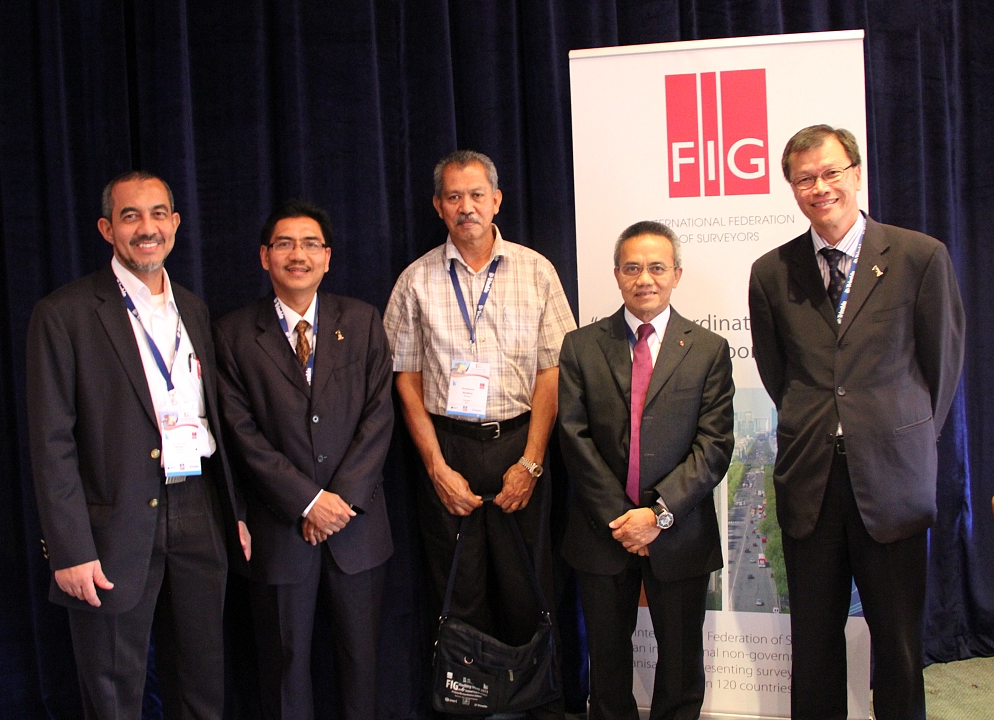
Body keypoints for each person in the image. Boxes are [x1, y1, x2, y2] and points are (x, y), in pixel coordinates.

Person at [749, 125, 965, 720]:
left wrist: (902, 437)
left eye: (830, 172)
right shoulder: (771, 272)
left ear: (856, 173)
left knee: (898, 644)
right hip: (811, 479)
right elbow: (778, 373)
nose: (819, 187)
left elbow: (941, 366)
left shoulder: (919, 256)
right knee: (813, 644)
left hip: (892, 479)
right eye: (804, 179)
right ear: (792, 188)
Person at [26, 170, 250, 720]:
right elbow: (51, 442)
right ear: (107, 229)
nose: (146, 228)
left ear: (175, 224)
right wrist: (70, 548)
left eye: (157, 215)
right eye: (130, 216)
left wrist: (234, 512)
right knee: (112, 692)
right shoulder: (64, 314)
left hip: (198, 509)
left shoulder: (193, 309)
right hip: (113, 523)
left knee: (200, 685)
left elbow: (213, 418)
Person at [383, 150, 576, 719]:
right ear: (438, 207)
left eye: (475, 195)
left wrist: (532, 462)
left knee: (528, 585)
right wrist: (436, 467)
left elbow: (552, 370)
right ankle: (464, 705)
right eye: (453, 197)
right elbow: (405, 377)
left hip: (520, 441)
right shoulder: (415, 280)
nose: (465, 206)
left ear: (496, 201)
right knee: (457, 588)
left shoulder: (536, 271)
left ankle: (539, 704)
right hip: (449, 447)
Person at [214, 199, 394, 720]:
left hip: (356, 529)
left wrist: (340, 502)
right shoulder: (232, 333)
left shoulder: (361, 321)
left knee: (361, 666)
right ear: (264, 256)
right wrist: (309, 501)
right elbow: (240, 433)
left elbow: (379, 416)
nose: (299, 255)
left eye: (311, 244)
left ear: (328, 257)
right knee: (284, 669)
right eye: (285, 244)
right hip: (280, 529)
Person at [558, 221, 734, 720]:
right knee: (607, 669)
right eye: (632, 268)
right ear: (616, 274)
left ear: (677, 274)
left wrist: (656, 515)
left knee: (680, 668)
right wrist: (623, 519)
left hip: (680, 533)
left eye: (657, 267)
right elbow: (573, 436)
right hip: (603, 531)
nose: (645, 279)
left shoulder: (708, 349)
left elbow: (714, 445)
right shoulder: (581, 346)